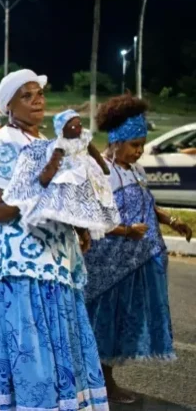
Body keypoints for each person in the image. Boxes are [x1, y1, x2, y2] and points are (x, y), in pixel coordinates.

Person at [0, 70, 108, 411]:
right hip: (14, 262)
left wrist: (77, 229)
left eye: (39, 93)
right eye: (27, 96)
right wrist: (46, 179)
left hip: (50, 257)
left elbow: (59, 196)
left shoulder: (42, 143)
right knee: (23, 342)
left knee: (46, 341)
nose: (37, 99)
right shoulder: (4, 141)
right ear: (8, 107)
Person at [84, 95, 192, 404]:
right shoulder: (101, 171)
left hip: (136, 260)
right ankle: (103, 383)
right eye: (134, 145)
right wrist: (126, 231)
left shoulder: (136, 170)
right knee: (104, 322)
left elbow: (148, 204)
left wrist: (172, 220)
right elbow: (93, 218)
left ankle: (103, 379)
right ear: (115, 142)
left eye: (143, 144)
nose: (139, 151)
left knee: (121, 322)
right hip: (108, 264)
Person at [2, 109, 120, 240]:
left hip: (88, 171)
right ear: (63, 130)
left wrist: (103, 167)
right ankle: (66, 215)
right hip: (70, 171)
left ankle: (88, 218)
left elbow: (94, 153)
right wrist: (47, 176)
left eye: (80, 124)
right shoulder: (62, 143)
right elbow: (54, 160)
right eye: (74, 126)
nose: (79, 128)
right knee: (64, 189)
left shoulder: (84, 137)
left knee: (95, 195)